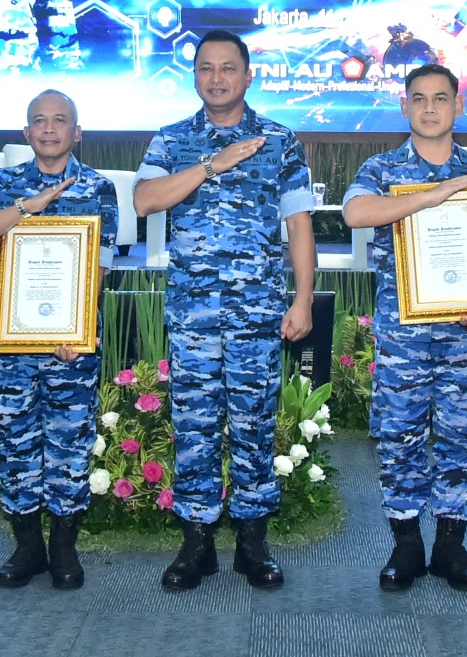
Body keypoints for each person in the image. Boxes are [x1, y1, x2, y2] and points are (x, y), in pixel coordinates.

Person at [133, 30, 316, 591]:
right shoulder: (171, 140)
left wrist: (303, 297)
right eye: (206, 68)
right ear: (194, 75)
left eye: (228, 68)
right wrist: (210, 166)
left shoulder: (280, 141)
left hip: (257, 314)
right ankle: (197, 545)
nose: (217, 78)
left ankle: (253, 544)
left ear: (248, 75)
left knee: (255, 425)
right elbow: (145, 201)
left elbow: (299, 224)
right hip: (192, 316)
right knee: (193, 427)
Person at [342, 64, 467, 592]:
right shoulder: (382, 169)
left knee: (462, 437)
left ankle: (450, 544)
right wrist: (428, 197)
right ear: (404, 107)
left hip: (464, 332)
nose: (428, 108)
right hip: (403, 338)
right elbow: (354, 213)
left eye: (440, 98)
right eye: (418, 98)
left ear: (458, 106)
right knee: (398, 436)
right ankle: (406, 544)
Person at [0, 89, 118, 591]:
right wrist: (29, 206)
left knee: (70, 440)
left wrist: (79, 326)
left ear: (78, 131)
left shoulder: (98, 187)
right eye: (39, 121)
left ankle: (64, 545)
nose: (49, 129)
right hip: (10, 346)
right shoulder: (2, 183)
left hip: (69, 344)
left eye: (60, 120)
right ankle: (27, 545)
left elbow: (100, 267)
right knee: (14, 440)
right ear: (26, 133)